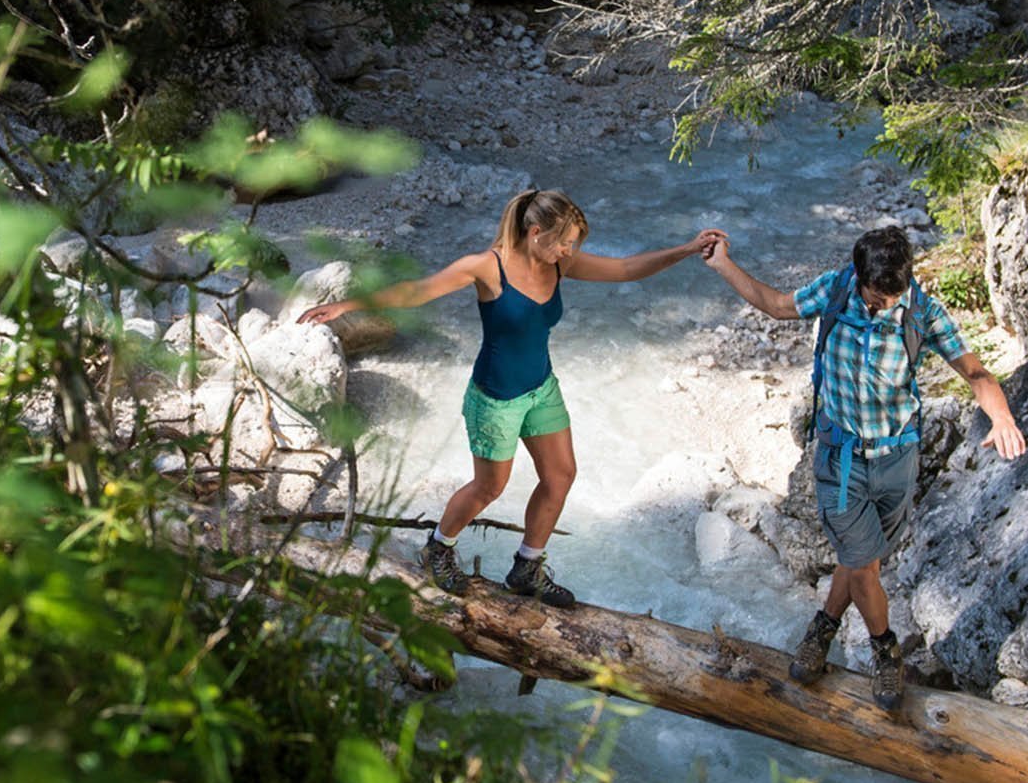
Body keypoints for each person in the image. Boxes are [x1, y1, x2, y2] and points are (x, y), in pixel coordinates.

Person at [300, 189, 724, 606]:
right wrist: (346, 305)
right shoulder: (487, 266)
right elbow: (418, 291)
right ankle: (438, 548)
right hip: (495, 399)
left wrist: (687, 249)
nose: (568, 250)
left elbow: (628, 268)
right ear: (535, 231)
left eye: (573, 244)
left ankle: (527, 568)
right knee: (489, 488)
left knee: (560, 475)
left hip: (541, 389)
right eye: (563, 241)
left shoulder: (559, 264)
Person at [701, 225, 1026, 710]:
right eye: (876, 298)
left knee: (861, 562)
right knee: (861, 561)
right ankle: (885, 651)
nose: (883, 307)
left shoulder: (921, 311)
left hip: (897, 458)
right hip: (839, 457)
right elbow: (775, 304)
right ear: (859, 277)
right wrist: (724, 264)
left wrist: (1000, 415)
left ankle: (823, 627)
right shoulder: (834, 290)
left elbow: (975, 372)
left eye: (891, 298)